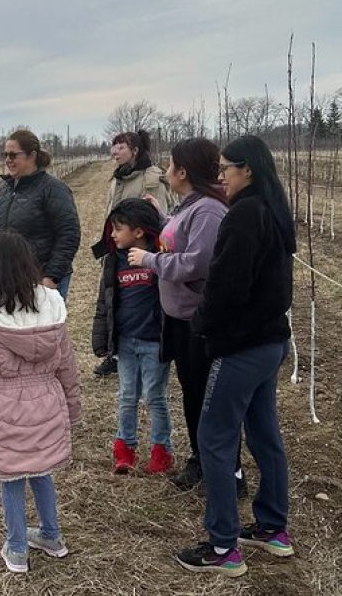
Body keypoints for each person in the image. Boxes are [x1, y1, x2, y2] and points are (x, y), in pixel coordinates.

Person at [176, 136, 296, 577]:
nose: (220, 175)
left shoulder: (244, 214)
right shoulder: (272, 210)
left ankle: (224, 546)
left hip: (242, 347)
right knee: (264, 432)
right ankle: (272, 528)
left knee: (215, 437)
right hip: (270, 343)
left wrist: (202, 326)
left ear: (248, 170)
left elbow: (227, 286)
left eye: (226, 168)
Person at [0, 231, 82, 573]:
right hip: (47, 401)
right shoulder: (52, 307)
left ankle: (17, 547)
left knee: (10, 477)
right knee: (41, 470)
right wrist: (72, 408)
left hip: (2, 407)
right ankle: (52, 536)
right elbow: (67, 365)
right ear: (29, 265)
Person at [127, 138, 247, 496]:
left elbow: (197, 262)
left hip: (198, 322)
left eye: (170, 166)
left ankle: (227, 471)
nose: (165, 171)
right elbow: (182, 240)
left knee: (207, 397)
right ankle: (202, 460)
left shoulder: (208, 209)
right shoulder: (190, 206)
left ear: (183, 171)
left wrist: (149, 261)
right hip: (181, 319)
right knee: (194, 394)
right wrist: (162, 218)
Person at [92, 199, 172, 474]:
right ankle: (124, 448)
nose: (112, 235)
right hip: (126, 342)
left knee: (154, 397)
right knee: (127, 395)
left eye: (118, 228)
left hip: (154, 341)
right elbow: (105, 301)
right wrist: (102, 338)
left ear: (138, 231)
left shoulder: (160, 256)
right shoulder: (115, 261)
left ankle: (161, 451)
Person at [94, 129, 172, 376]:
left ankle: (148, 351)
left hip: (141, 254)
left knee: (141, 302)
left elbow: (154, 219)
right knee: (113, 299)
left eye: (121, 147)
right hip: (118, 247)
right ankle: (116, 353)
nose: (114, 152)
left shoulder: (151, 177)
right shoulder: (118, 178)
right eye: (113, 147)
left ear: (135, 151)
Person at [0, 129, 81, 301]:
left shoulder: (53, 189)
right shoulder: (4, 191)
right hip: (9, 279)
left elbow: (69, 234)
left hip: (41, 279)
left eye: (14, 155)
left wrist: (51, 277)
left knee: (41, 328)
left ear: (31, 156)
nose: (8, 160)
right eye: (5, 155)